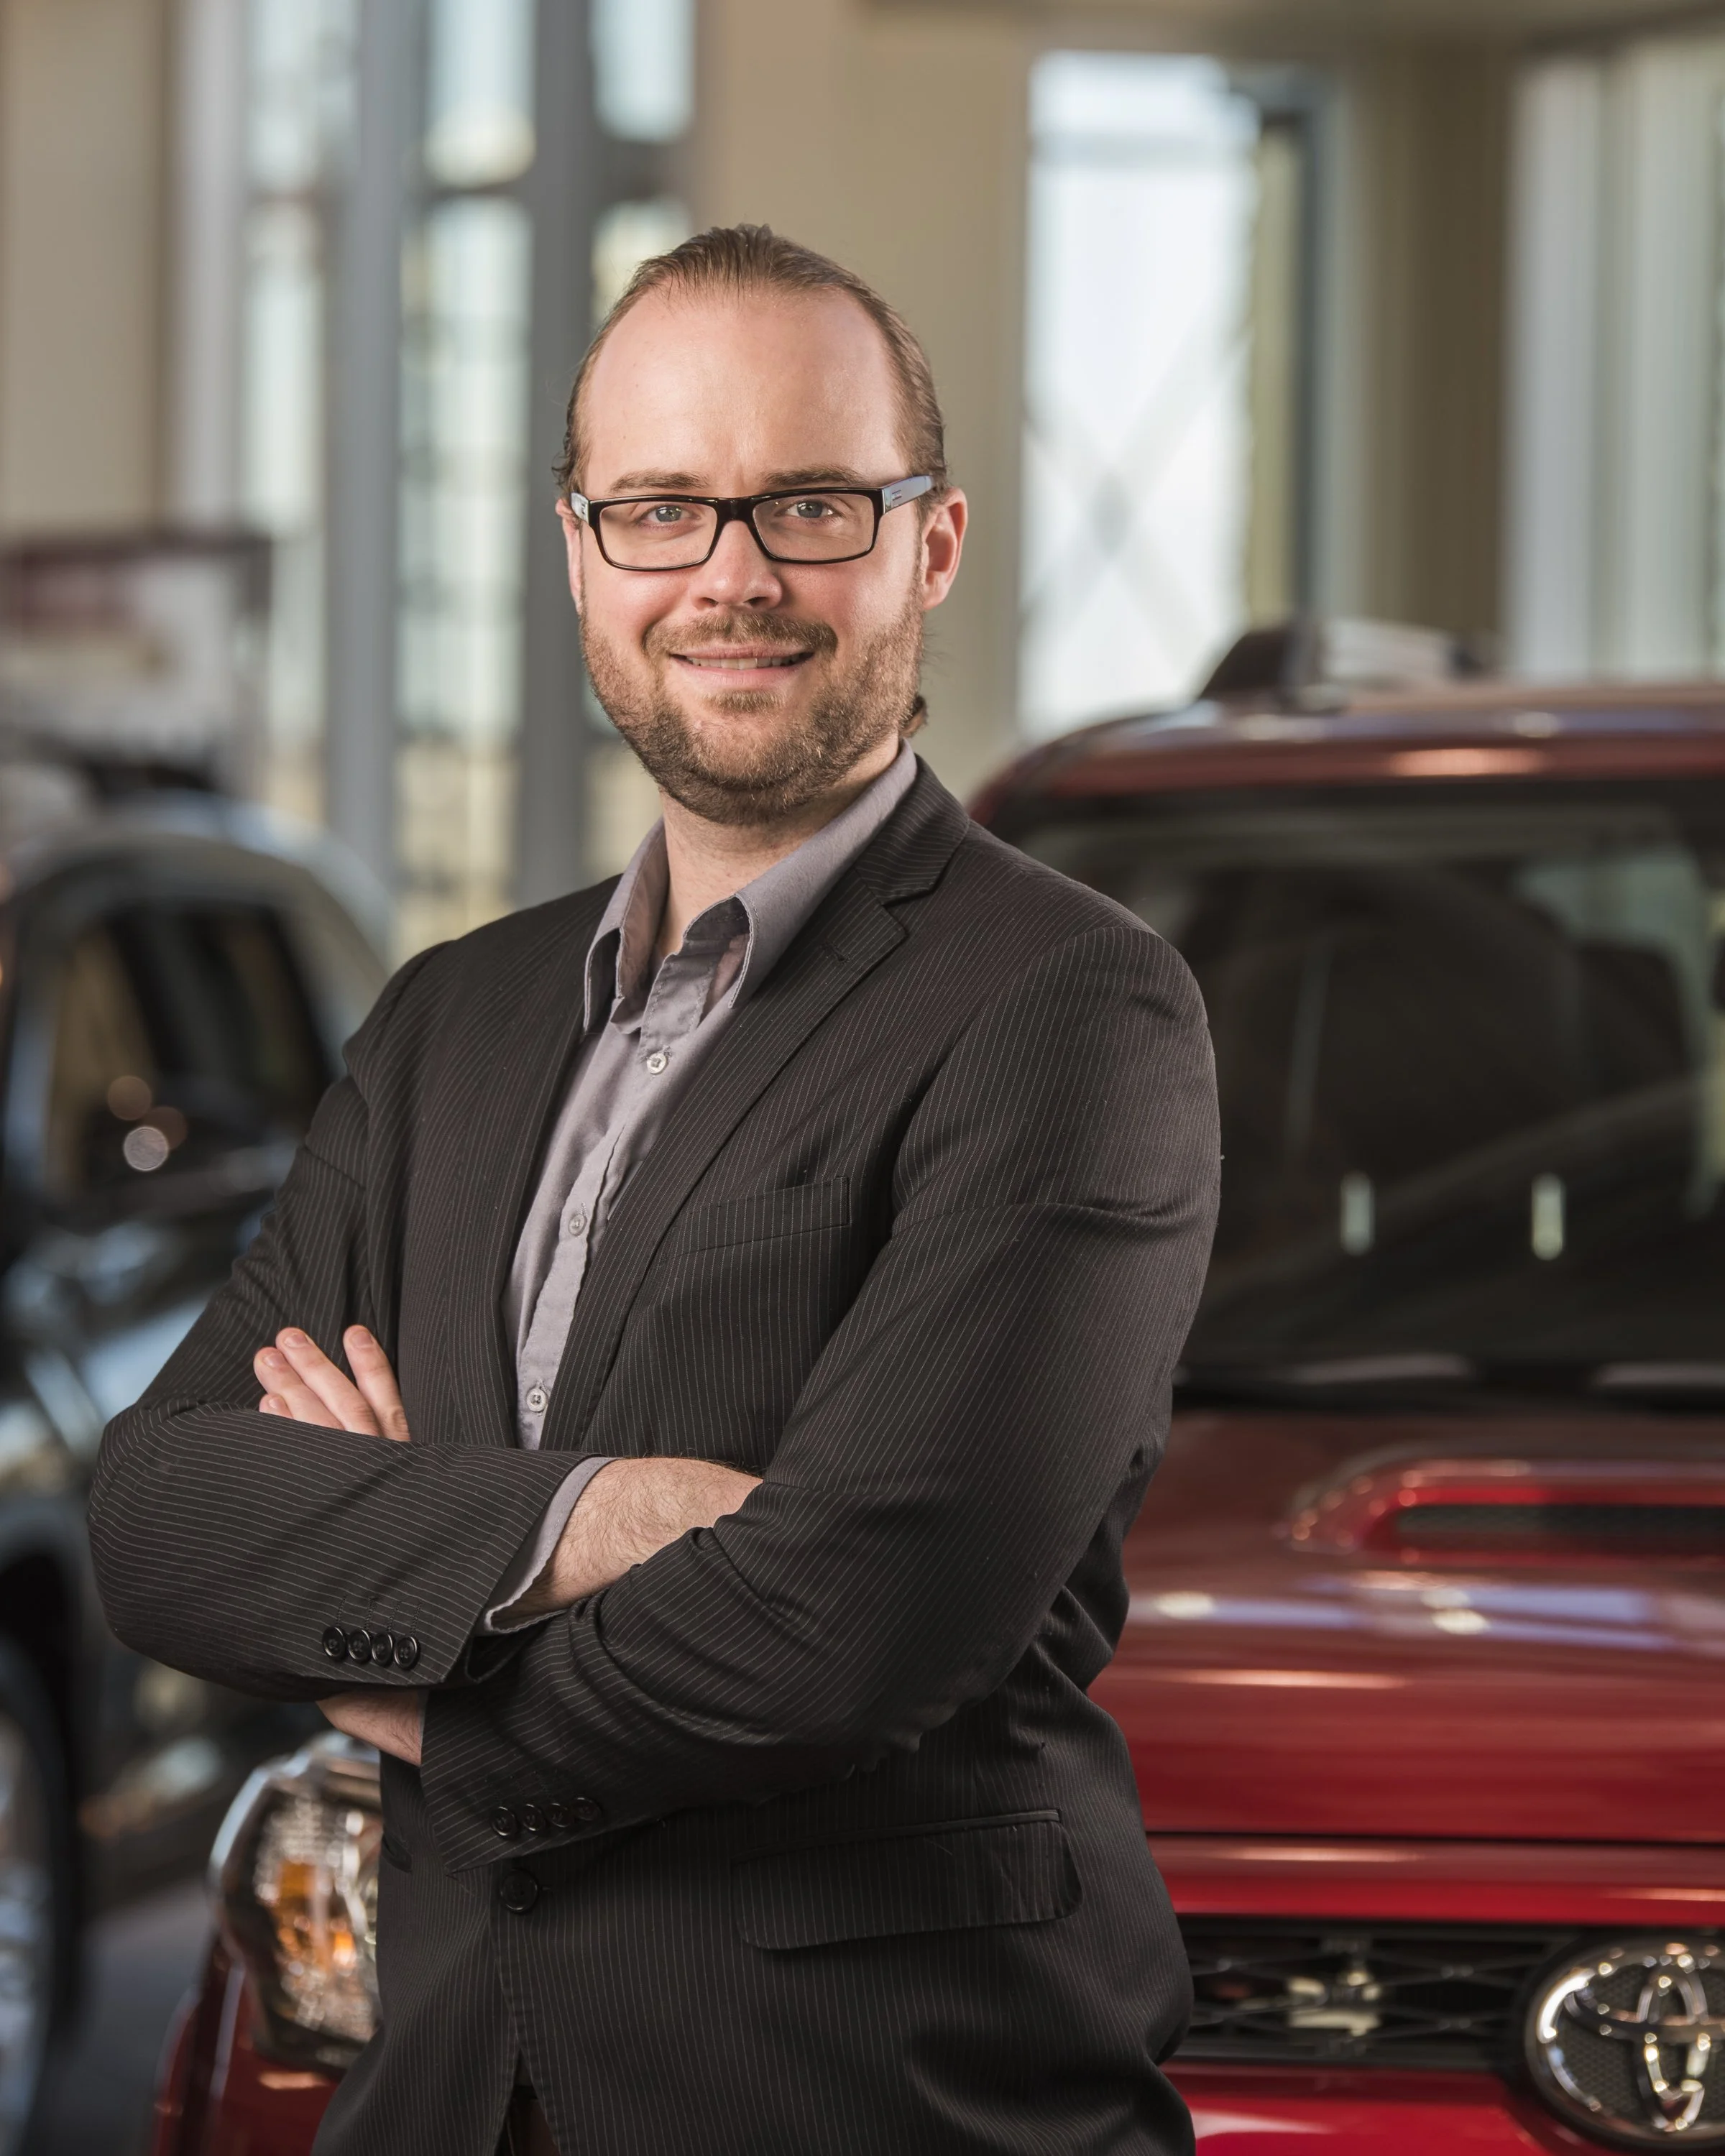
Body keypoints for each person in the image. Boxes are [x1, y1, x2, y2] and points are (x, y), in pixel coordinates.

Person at [90, 226, 1220, 2156]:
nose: (731, 577)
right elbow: (164, 1514)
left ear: (930, 545)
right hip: (446, 2098)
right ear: (577, 553)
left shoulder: (1069, 1009)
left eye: (808, 504)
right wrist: (600, 1515)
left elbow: (837, 1632)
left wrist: (399, 1652)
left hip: (876, 2112)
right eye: (661, 510)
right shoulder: (456, 1019)